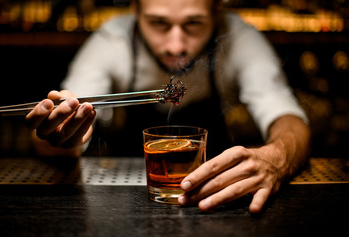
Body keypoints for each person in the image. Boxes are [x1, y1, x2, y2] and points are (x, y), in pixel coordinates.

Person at [25, 0, 310, 213]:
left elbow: (287, 116)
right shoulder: (112, 40)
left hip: (216, 205)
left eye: (193, 24)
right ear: (135, 12)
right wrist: (62, 135)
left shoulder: (239, 37)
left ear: (216, 15)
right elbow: (70, 111)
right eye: (159, 23)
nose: (176, 46)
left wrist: (276, 157)